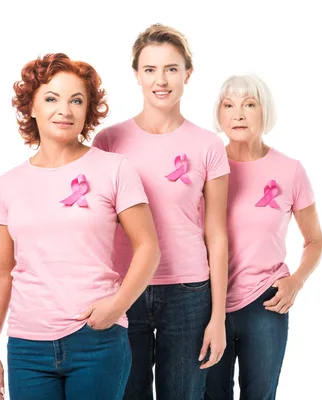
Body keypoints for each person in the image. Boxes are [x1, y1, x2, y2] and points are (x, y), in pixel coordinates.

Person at [0, 53, 160, 400]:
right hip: (27, 348)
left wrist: (117, 306)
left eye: (77, 100)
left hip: (97, 339)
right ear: (30, 107)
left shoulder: (115, 169)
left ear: (88, 110)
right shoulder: (8, 184)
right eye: (51, 98)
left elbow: (148, 248)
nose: (65, 109)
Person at [93, 24, 229, 400]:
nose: (161, 80)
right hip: (125, 287)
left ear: (188, 73)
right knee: (127, 392)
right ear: (136, 75)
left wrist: (217, 317)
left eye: (171, 68)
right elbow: (95, 226)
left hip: (189, 291)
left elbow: (216, 233)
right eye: (150, 69)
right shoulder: (108, 141)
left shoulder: (208, 145)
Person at [205, 75, 322, 400]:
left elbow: (314, 239)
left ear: (264, 111)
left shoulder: (290, 170)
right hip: (206, 300)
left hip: (265, 302)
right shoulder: (206, 164)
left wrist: (296, 281)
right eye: (228, 105)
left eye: (249, 104)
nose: (238, 114)